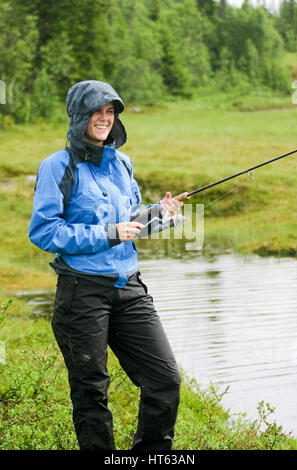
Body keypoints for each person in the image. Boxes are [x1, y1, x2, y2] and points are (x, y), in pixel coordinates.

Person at [28, 80, 182, 451]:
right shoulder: (57, 166)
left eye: (110, 111)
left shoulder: (122, 163)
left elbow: (129, 221)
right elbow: (44, 231)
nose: (104, 118)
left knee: (165, 380)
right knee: (92, 392)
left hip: (129, 288)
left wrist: (159, 215)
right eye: (97, 110)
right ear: (80, 115)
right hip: (82, 292)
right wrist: (107, 233)